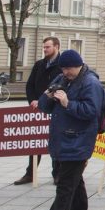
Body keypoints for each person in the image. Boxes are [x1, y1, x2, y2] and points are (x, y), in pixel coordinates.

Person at [32, 49, 105, 210]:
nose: (66, 72)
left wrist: (67, 103)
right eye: (63, 69)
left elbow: (91, 111)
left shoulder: (91, 83)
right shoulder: (61, 79)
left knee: (65, 185)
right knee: (74, 181)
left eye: (69, 69)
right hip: (61, 140)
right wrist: (47, 96)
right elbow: (44, 106)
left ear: (78, 65)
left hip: (79, 141)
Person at [15, 36, 61, 185]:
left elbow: (61, 87)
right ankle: (31, 172)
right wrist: (33, 100)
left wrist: (46, 100)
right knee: (35, 141)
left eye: (48, 47)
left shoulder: (62, 65)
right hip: (38, 110)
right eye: (44, 47)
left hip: (55, 109)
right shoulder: (39, 64)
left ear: (56, 47)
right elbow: (30, 85)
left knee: (55, 141)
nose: (45, 49)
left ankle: (57, 173)